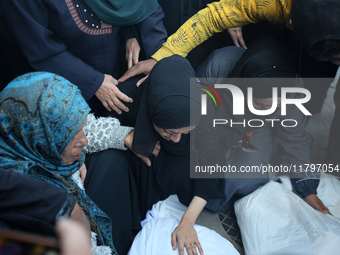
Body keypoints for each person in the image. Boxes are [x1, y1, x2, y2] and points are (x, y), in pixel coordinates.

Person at [118, 0, 340, 167]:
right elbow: (212, 18)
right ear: (291, 21)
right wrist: (162, 58)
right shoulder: (266, 5)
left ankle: (291, 130)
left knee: (308, 88)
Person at [0, 72, 139, 254]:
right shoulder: (26, 198)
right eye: (72, 135)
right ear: (41, 137)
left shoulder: (29, 138)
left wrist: (126, 136)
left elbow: (82, 126)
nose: (85, 140)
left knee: (113, 155)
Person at [108, 55, 225, 255]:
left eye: (186, 132)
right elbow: (93, 126)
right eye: (168, 132)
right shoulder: (129, 97)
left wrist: (187, 223)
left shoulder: (204, 106)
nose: (177, 139)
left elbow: (212, 168)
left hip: (183, 168)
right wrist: (126, 137)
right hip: (143, 165)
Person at [0, 0, 167, 116]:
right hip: (60, 91)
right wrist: (95, 82)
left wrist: (158, 57)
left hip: (115, 70)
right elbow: (41, 49)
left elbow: (142, 5)